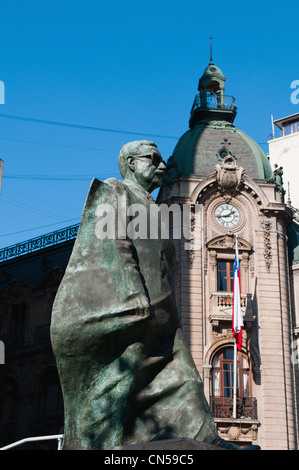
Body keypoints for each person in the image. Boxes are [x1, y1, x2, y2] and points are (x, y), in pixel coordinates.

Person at [51, 140, 259, 450]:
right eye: (153, 159)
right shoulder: (115, 191)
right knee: (115, 391)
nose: (161, 166)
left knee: (186, 379)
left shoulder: (155, 209)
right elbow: (110, 245)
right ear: (131, 163)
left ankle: (208, 439)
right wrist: (132, 296)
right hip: (132, 312)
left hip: (162, 320)